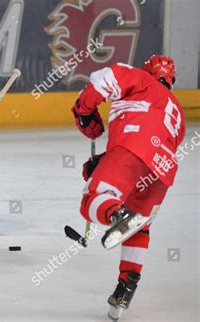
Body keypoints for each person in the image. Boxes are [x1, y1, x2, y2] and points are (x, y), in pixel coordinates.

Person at [71, 54, 185, 317]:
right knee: (140, 227)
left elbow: (104, 80)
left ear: (149, 71)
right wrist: (103, 162)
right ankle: (125, 289)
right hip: (163, 171)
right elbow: (155, 144)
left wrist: (84, 110)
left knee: (92, 199)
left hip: (133, 148)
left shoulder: (141, 78)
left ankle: (118, 215)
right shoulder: (177, 111)